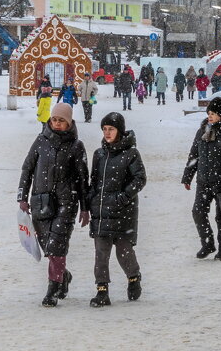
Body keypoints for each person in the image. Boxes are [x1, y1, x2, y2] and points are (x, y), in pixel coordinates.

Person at [17, 103, 90, 307]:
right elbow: (27, 169)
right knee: (48, 247)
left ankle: (52, 287)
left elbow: (83, 179)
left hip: (66, 203)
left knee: (56, 245)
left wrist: (84, 208)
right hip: (41, 201)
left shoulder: (76, 146)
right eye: (54, 120)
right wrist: (22, 197)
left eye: (61, 120)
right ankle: (63, 275)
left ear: (69, 122)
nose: (57, 123)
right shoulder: (40, 141)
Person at [87, 112, 146, 306]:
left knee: (124, 252)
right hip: (101, 211)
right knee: (101, 253)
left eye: (111, 129)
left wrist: (123, 197)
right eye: (104, 129)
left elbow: (140, 179)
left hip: (123, 212)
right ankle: (102, 291)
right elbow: (94, 180)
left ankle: (133, 277)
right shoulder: (99, 154)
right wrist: (91, 200)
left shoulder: (131, 154)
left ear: (119, 130)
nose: (107, 133)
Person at [181, 96, 221, 261]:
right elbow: (194, 155)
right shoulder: (202, 132)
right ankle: (207, 243)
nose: (210, 116)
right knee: (198, 212)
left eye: (213, 113)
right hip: (203, 181)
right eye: (209, 112)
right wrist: (187, 177)